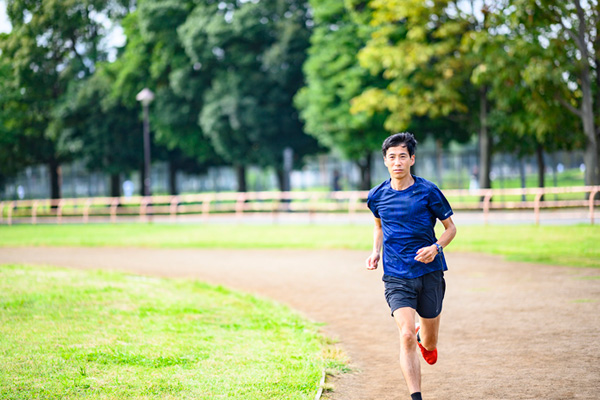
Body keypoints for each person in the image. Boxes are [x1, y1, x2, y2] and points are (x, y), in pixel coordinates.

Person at [365, 132, 457, 400]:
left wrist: (436, 247)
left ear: (412, 159)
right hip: (396, 275)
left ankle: (424, 338)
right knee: (405, 335)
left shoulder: (428, 191)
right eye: (391, 157)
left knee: (428, 343)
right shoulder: (377, 195)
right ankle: (416, 396)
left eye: (402, 156)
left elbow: (451, 229)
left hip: (429, 272)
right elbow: (378, 225)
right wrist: (375, 252)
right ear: (384, 161)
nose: (397, 162)